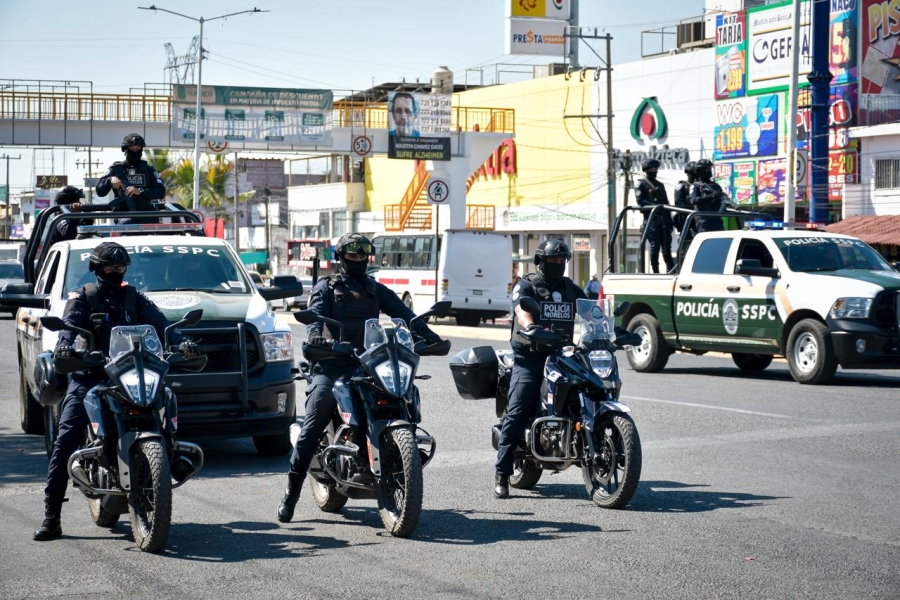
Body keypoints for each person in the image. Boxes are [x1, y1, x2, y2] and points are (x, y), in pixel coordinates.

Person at [33, 242, 198, 541]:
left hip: (130, 373)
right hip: (91, 375)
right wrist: (66, 344)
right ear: (97, 269)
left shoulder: (134, 297)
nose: (115, 272)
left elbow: (162, 324)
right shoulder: (82, 296)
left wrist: (183, 340)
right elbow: (68, 326)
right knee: (65, 439)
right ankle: (51, 516)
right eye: (110, 267)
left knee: (166, 399)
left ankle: (171, 455)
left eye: (120, 267)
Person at [276, 232, 444, 523]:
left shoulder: (375, 289)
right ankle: (290, 495)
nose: (357, 259)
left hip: (369, 363)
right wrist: (318, 340)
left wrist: (427, 334)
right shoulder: (326, 287)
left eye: (362, 254)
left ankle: (395, 457)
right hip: (333, 363)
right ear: (340, 257)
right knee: (312, 427)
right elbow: (315, 317)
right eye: (352, 254)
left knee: (402, 395)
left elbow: (404, 314)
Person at [494, 239, 586, 499]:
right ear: (540, 261)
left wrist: (612, 326)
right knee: (519, 407)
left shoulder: (570, 288)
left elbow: (592, 311)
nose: (558, 264)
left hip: (562, 354)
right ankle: (502, 472)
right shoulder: (527, 284)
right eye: (553, 260)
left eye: (562, 261)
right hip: (531, 355)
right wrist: (530, 326)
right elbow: (521, 308)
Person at [95, 133, 166, 222]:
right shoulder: (115, 169)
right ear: (125, 149)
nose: (135, 151)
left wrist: (140, 191)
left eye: (138, 148)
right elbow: (99, 191)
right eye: (132, 148)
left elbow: (160, 192)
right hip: (123, 215)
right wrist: (109, 181)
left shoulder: (149, 170)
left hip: (146, 214)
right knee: (127, 222)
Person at [635, 159, 675, 274]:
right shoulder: (641, 184)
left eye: (655, 169)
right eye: (651, 169)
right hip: (651, 220)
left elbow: (666, 203)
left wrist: (669, 221)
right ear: (646, 170)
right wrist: (655, 206)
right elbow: (640, 201)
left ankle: (670, 270)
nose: (654, 171)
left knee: (666, 246)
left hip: (663, 220)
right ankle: (655, 271)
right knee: (655, 245)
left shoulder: (660, 185)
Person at [690, 159, 726, 233]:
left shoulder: (716, 186)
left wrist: (725, 200)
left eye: (710, 169)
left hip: (717, 220)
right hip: (704, 220)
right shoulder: (696, 185)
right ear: (700, 170)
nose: (710, 171)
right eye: (708, 169)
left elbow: (721, 200)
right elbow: (693, 200)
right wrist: (711, 196)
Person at [672, 161, 697, 235]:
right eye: (692, 173)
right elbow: (679, 203)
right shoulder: (682, 186)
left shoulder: (700, 186)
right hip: (685, 218)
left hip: (699, 218)